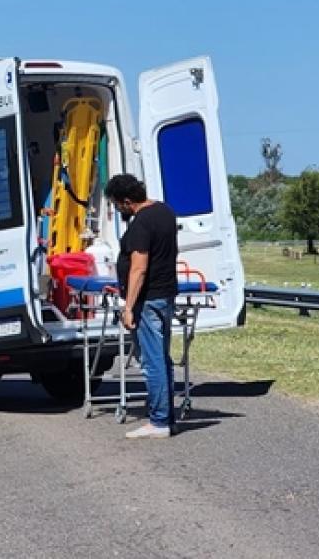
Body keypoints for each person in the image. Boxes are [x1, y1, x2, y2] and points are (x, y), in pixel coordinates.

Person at [105, 174, 179, 439]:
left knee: (153, 360)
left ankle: (159, 421)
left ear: (126, 201)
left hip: (148, 299)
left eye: (116, 204)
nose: (117, 209)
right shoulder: (165, 212)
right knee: (162, 357)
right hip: (166, 294)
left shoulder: (141, 224)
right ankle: (166, 416)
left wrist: (128, 306)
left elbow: (139, 268)